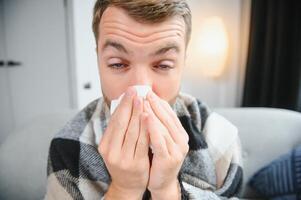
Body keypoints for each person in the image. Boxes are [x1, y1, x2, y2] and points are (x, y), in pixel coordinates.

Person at [45, 0, 243, 199]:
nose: (140, 88)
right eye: (117, 64)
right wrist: (124, 190)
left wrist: (168, 191)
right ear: (98, 60)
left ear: (183, 62)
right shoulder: (67, 148)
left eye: (163, 65)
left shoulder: (220, 136)